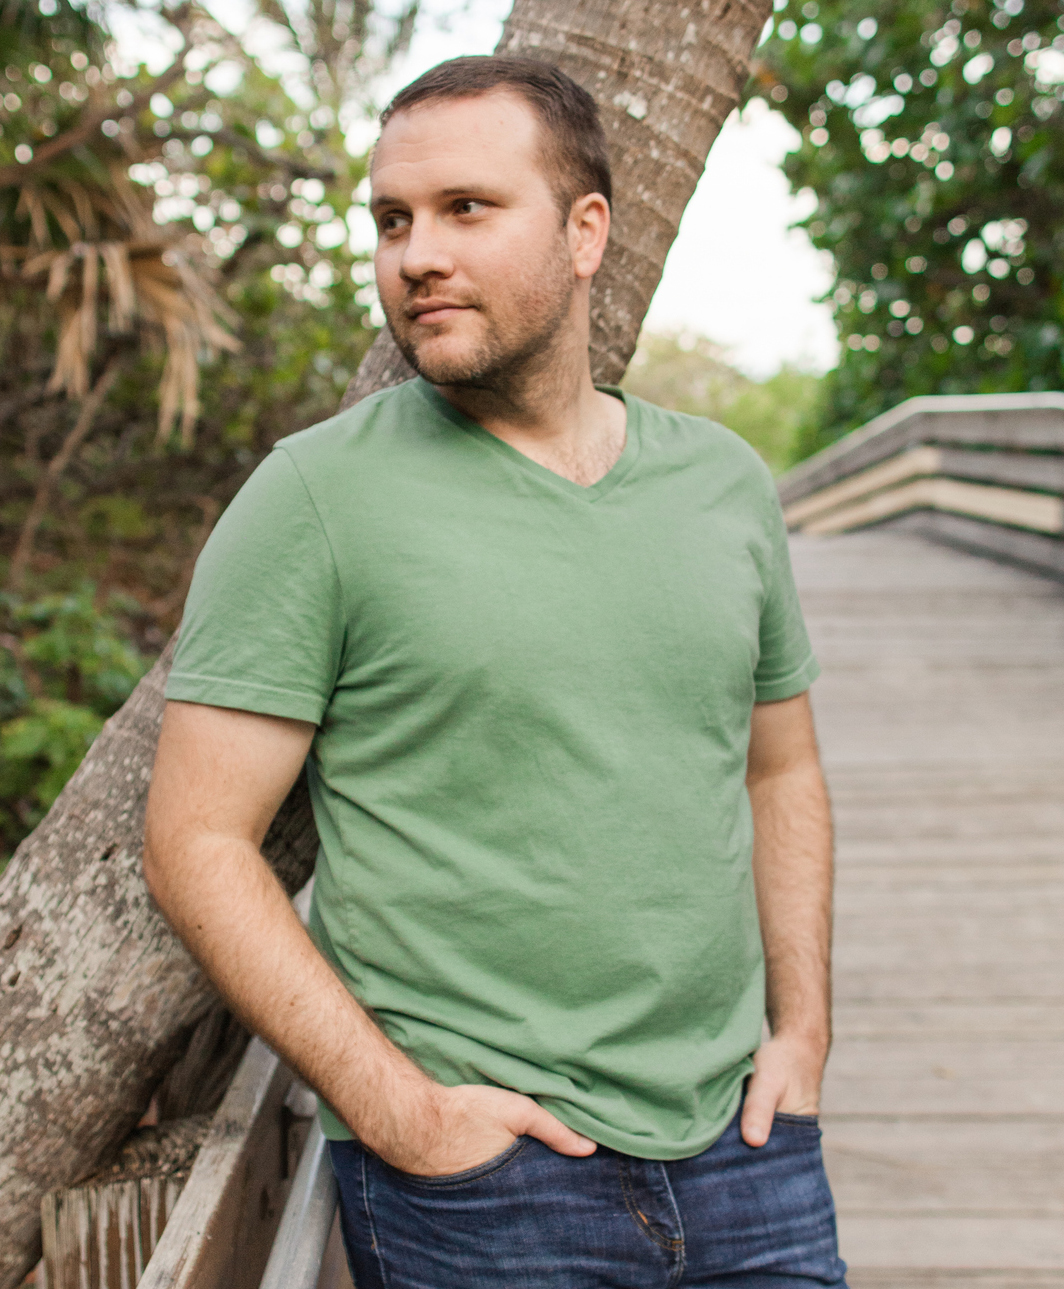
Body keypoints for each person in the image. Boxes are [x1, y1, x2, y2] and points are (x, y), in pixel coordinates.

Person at [144, 55, 848, 1288]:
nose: (416, 254)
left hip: (743, 1142)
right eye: (392, 220)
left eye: (467, 209)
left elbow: (779, 766)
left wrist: (802, 1033)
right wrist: (405, 1111)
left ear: (584, 233)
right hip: (485, 1181)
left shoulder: (724, 484)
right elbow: (195, 838)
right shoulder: (315, 498)